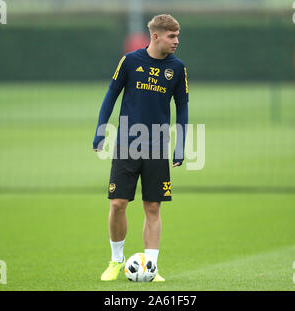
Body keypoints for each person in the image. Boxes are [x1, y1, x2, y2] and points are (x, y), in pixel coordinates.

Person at [93, 14, 189, 282]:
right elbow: (111, 94)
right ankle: (115, 260)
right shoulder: (130, 61)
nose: (176, 41)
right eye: (172, 36)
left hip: (158, 146)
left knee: (153, 207)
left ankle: (151, 268)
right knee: (118, 204)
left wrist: (180, 146)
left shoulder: (178, 69)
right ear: (155, 36)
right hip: (127, 143)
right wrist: (101, 129)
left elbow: (182, 108)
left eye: (177, 36)